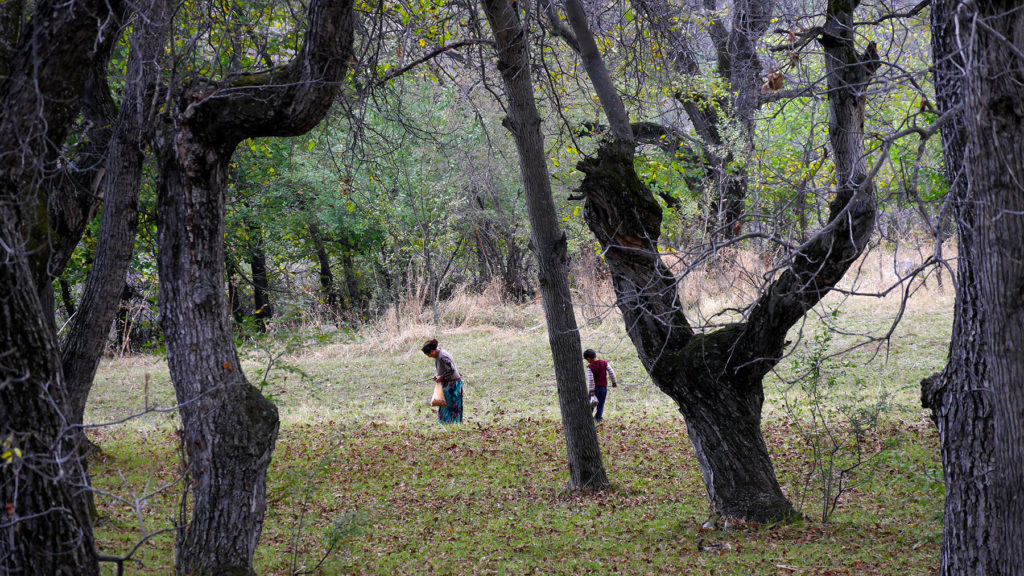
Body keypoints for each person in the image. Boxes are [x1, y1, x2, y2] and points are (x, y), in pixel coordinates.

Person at [422, 339, 463, 424]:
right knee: (445, 404)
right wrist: (438, 375)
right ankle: (445, 422)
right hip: (448, 382)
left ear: (433, 351)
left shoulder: (442, 356)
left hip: (452, 384)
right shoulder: (438, 354)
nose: (429, 356)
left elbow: (452, 370)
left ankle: (452, 423)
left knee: (451, 404)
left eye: (428, 354)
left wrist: (442, 377)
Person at [584, 349, 617, 423]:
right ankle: (598, 419)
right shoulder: (604, 363)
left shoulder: (590, 367)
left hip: (594, 389)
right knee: (601, 404)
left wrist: (591, 390)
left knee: (591, 404)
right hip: (603, 388)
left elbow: (591, 379)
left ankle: (588, 419)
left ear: (589, 358)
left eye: (586, 359)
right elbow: (611, 372)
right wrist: (614, 382)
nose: (587, 361)